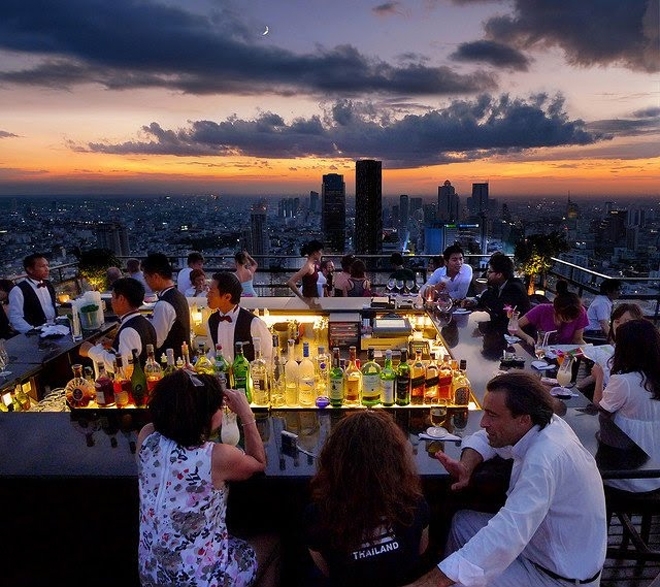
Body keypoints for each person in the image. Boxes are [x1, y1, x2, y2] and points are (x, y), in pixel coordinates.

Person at [406, 371, 607, 587]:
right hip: (538, 550)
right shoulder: (542, 423)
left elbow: (506, 533)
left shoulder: (544, 461)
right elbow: (486, 438)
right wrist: (466, 465)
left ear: (522, 420)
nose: (483, 423)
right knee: (461, 524)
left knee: (458, 578)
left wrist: (431, 582)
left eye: (492, 415)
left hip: (557, 578)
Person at [137, 370, 279, 587]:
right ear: (207, 416)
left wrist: (186, 388)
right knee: (274, 543)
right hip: (203, 581)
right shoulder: (215, 457)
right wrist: (246, 415)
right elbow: (258, 462)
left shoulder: (146, 438)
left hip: (153, 574)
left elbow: (166, 423)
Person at [305, 410, 430, 587]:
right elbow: (420, 552)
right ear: (395, 459)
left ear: (335, 460)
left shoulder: (317, 515)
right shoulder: (415, 504)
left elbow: (326, 570)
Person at [593, 319, 660, 494]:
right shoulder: (653, 378)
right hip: (655, 471)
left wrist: (599, 377)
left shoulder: (625, 381)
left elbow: (600, 408)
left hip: (627, 470)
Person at [79, 277, 157, 373]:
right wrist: (115, 345)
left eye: (112, 297)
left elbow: (122, 367)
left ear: (121, 299)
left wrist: (90, 351)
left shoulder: (129, 331)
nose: (111, 302)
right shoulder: (145, 322)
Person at [206, 271, 273, 363]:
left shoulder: (253, 322)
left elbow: (268, 355)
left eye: (212, 292)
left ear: (227, 297)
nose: (207, 295)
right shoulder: (212, 321)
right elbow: (213, 351)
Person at [462, 252, 530, 328]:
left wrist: (484, 289)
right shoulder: (499, 285)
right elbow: (486, 295)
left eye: (490, 271)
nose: (487, 274)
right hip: (501, 328)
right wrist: (473, 301)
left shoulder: (514, 288)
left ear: (499, 275)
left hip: (517, 333)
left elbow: (500, 311)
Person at [142, 253, 191, 357]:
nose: (146, 282)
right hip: (184, 357)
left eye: (146, 277)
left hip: (171, 363)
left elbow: (157, 341)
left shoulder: (163, 305)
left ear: (155, 276)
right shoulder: (179, 296)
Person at [514, 280, 588, 346]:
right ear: (556, 310)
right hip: (540, 350)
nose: (571, 321)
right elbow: (515, 326)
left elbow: (578, 339)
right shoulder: (542, 309)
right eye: (566, 318)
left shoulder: (580, 312)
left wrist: (590, 351)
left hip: (564, 355)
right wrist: (527, 337)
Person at [8, 253, 57, 333]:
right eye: (42, 266)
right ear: (30, 269)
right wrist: (32, 331)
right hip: (36, 334)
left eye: (47, 265)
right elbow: (15, 317)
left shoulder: (48, 284)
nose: (47, 269)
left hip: (55, 328)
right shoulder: (18, 290)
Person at [287, 240, 324, 306]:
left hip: (314, 300)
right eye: (320, 251)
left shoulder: (313, 264)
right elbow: (290, 282)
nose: (321, 253)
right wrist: (302, 298)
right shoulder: (308, 266)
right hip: (309, 302)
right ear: (315, 253)